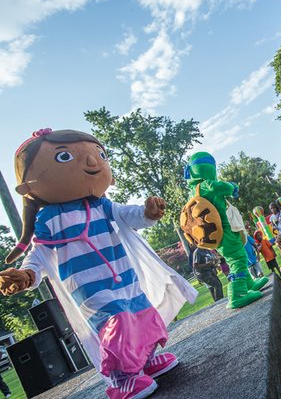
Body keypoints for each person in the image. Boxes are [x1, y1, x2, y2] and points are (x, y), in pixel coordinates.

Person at [0, 129, 198, 399]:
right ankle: (122, 380)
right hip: (90, 288)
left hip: (124, 277)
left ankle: (144, 362)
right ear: (29, 186)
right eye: (65, 156)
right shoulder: (49, 218)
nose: (94, 162)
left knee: (142, 317)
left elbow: (128, 215)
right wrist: (27, 274)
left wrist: (147, 212)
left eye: (100, 155)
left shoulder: (100, 205)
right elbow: (39, 253)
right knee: (117, 323)